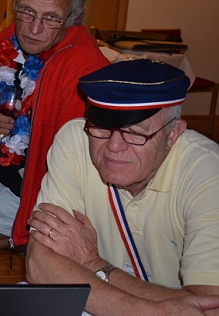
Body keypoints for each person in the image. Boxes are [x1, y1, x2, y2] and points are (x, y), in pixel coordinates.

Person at [27, 59, 219, 315]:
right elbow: (39, 265)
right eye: (102, 128)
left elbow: (210, 307)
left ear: (173, 135)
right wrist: (152, 311)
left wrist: (91, 263)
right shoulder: (76, 140)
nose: (114, 146)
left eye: (134, 132)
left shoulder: (208, 172)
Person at [0, 0, 109, 248]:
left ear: (71, 19)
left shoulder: (85, 69)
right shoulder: (10, 38)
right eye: (27, 12)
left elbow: (73, 168)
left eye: (51, 18)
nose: (33, 29)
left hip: (32, 192)